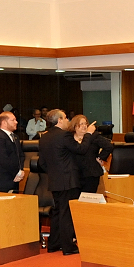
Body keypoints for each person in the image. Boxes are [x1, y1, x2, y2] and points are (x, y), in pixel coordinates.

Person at [39, 109, 95, 256]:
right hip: (68, 180)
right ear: (59, 120)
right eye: (65, 118)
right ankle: (68, 247)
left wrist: (55, 173)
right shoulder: (64, 135)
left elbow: (42, 163)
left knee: (58, 212)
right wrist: (88, 133)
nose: (67, 121)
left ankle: (54, 244)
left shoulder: (44, 137)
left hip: (54, 180)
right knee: (67, 214)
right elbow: (81, 149)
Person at [68, 114, 113, 194]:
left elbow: (109, 146)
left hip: (91, 173)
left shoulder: (94, 136)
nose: (84, 126)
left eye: (86, 124)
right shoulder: (69, 138)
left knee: (88, 200)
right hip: (74, 174)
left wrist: (100, 158)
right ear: (74, 126)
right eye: (81, 124)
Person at [0, 111, 25, 193]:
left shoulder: (15, 137)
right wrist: (17, 173)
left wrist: (21, 170)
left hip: (14, 180)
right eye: (13, 120)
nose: (16, 122)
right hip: (1, 182)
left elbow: (21, 155)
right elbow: (3, 159)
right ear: (4, 123)